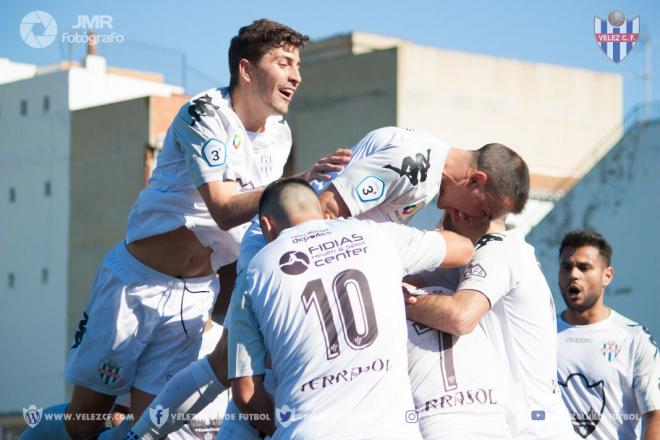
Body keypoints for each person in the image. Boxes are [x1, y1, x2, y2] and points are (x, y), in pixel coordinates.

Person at [20, 19, 349, 440]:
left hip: (194, 298)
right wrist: (296, 184)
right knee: (84, 420)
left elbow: (253, 227)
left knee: (151, 427)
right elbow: (225, 209)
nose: (296, 76)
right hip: (134, 285)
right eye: (284, 62)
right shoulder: (204, 114)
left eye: (298, 65)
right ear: (246, 70)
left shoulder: (280, 135)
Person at [136, 125, 530, 439]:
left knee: (239, 372)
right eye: (486, 210)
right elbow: (323, 215)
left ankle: (139, 434)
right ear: (476, 180)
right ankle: (138, 434)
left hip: (302, 256)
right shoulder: (416, 165)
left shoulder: (422, 163)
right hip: (284, 252)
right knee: (242, 378)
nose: (479, 219)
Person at [229, 178, 475, 438]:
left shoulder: (254, 272)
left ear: (267, 226)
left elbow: (246, 393)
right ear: (324, 214)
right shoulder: (376, 234)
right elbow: (463, 249)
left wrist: (287, 429)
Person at [405, 211, 575, 439]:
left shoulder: (497, 251)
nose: (437, 226)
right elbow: (404, 280)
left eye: (447, 212)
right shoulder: (478, 260)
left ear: (463, 216)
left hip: (533, 430)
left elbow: (459, 317)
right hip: (526, 425)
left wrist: (398, 301)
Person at [403, 216, 511, 439]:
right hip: (477, 423)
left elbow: (459, 318)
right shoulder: (470, 294)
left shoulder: (467, 298)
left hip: (455, 424)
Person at [556, 230, 660, 439]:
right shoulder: (539, 333)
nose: (574, 274)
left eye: (584, 267)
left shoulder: (633, 338)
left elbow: (655, 414)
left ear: (607, 275)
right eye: (566, 267)